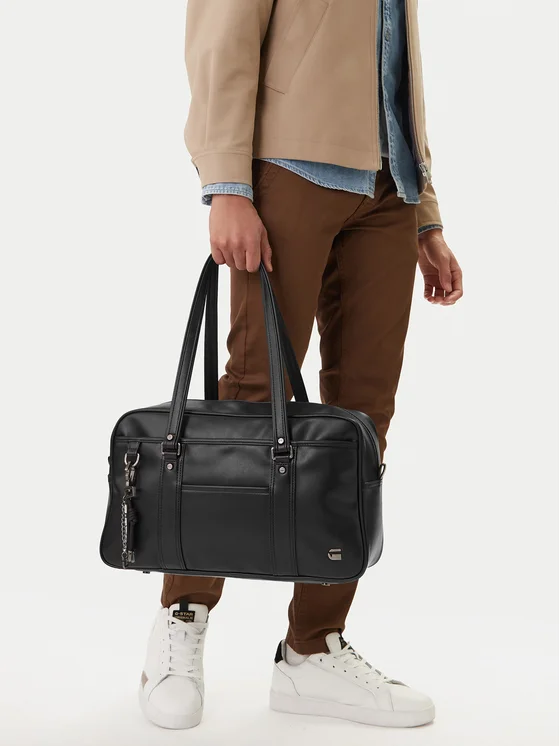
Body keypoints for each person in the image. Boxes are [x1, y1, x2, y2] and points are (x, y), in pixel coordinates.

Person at [139, 0, 463, 731]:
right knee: (251, 401)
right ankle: (182, 619)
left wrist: (426, 214)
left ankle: (313, 646)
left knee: (361, 424)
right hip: (291, 168)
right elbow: (222, 36)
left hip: (389, 190)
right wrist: (227, 184)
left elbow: (395, 66)